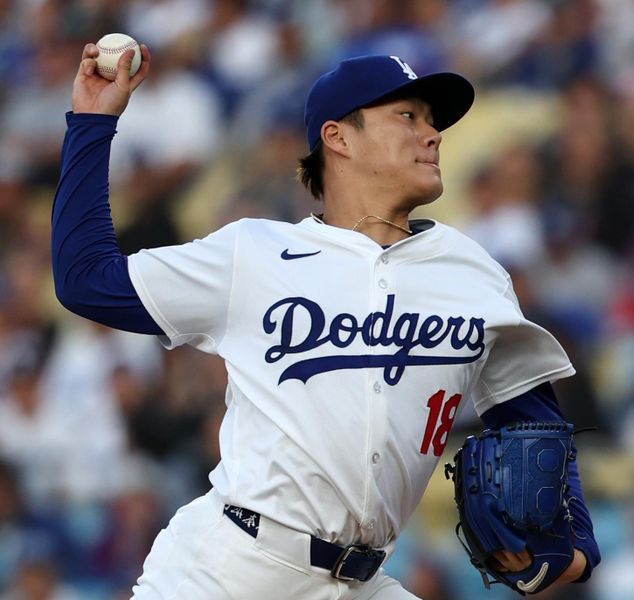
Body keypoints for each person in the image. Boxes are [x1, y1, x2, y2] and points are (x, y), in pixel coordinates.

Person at [51, 43, 600, 599]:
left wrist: (576, 546)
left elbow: (534, 428)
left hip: (363, 580)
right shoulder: (254, 253)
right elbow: (86, 279)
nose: (432, 134)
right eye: (407, 117)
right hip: (232, 568)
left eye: (432, 123)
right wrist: (94, 124)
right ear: (338, 138)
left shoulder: (474, 273)